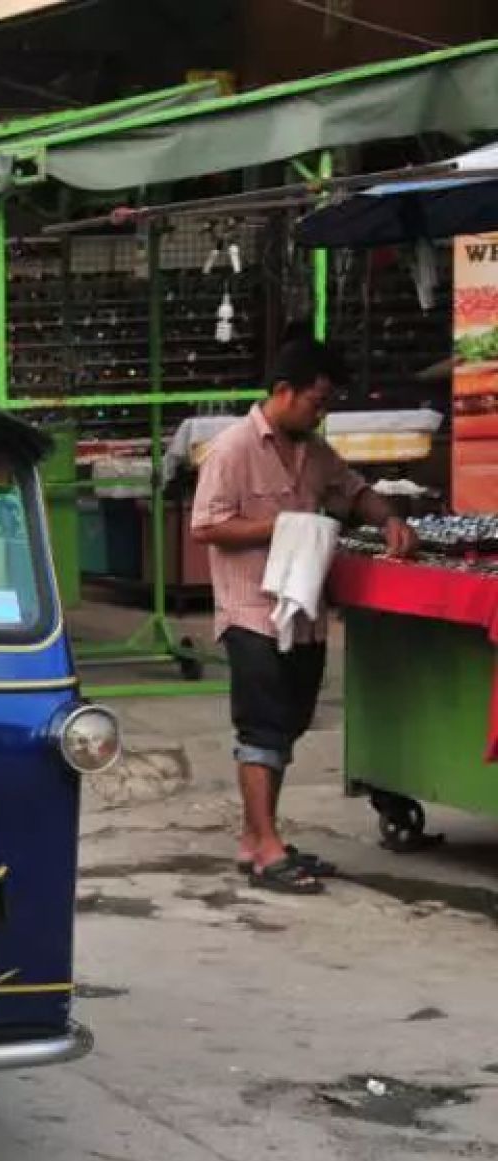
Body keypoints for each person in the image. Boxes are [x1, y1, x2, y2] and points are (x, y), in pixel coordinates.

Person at [190, 338, 417, 894]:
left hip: (306, 614)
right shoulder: (233, 449)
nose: (322, 411)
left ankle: (256, 839)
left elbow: (354, 491)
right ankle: (267, 850)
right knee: (262, 729)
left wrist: (387, 519)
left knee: (287, 728)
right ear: (284, 392)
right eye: (317, 401)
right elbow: (206, 526)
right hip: (253, 613)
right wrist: (282, 526)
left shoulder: (315, 451)